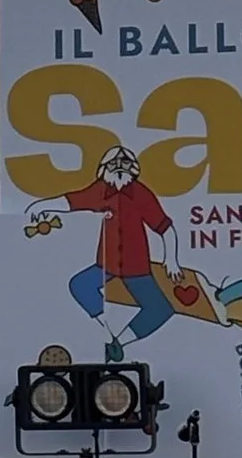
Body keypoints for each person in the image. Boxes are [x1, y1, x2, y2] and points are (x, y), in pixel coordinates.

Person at [67, 143, 177, 342]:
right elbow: (70, 201)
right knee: (80, 285)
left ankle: (120, 341)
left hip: (136, 268)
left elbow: (165, 228)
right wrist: (39, 208)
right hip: (105, 266)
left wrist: (172, 259)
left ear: (132, 167)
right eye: (113, 163)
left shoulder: (140, 193)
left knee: (160, 309)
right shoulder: (99, 190)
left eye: (124, 162)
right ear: (104, 168)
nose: (119, 166)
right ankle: (106, 333)